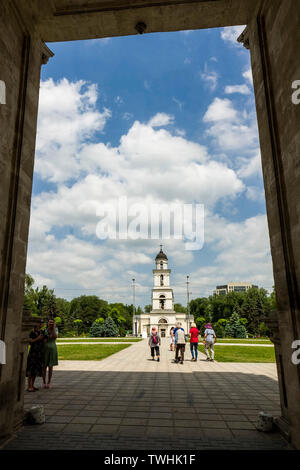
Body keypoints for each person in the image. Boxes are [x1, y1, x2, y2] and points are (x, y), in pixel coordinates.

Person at [26, 320, 45, 392]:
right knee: (31, 369)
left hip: (39, 353)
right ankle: (29, 386)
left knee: (36, 369)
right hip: (33, 352)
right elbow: (30, 341)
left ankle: (32, 385)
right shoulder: (32, 332)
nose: (41, 324)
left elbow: (44, 341)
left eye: (42, 323)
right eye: (40, 323)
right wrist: (38, 338)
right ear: (36, 324)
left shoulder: (42, 332)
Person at [42, 319, 58, 388]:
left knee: (50, 366)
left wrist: (54, 328)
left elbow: (55, 336)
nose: (51, 323)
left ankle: (49, 382)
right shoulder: (45, 330)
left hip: (53, 349)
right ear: (47, 323)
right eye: (50, 322)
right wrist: (49, 329)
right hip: (45, 349)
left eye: (52, 322)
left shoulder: (56, 329)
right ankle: (44, 382)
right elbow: (44, 339)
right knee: (44, 366)